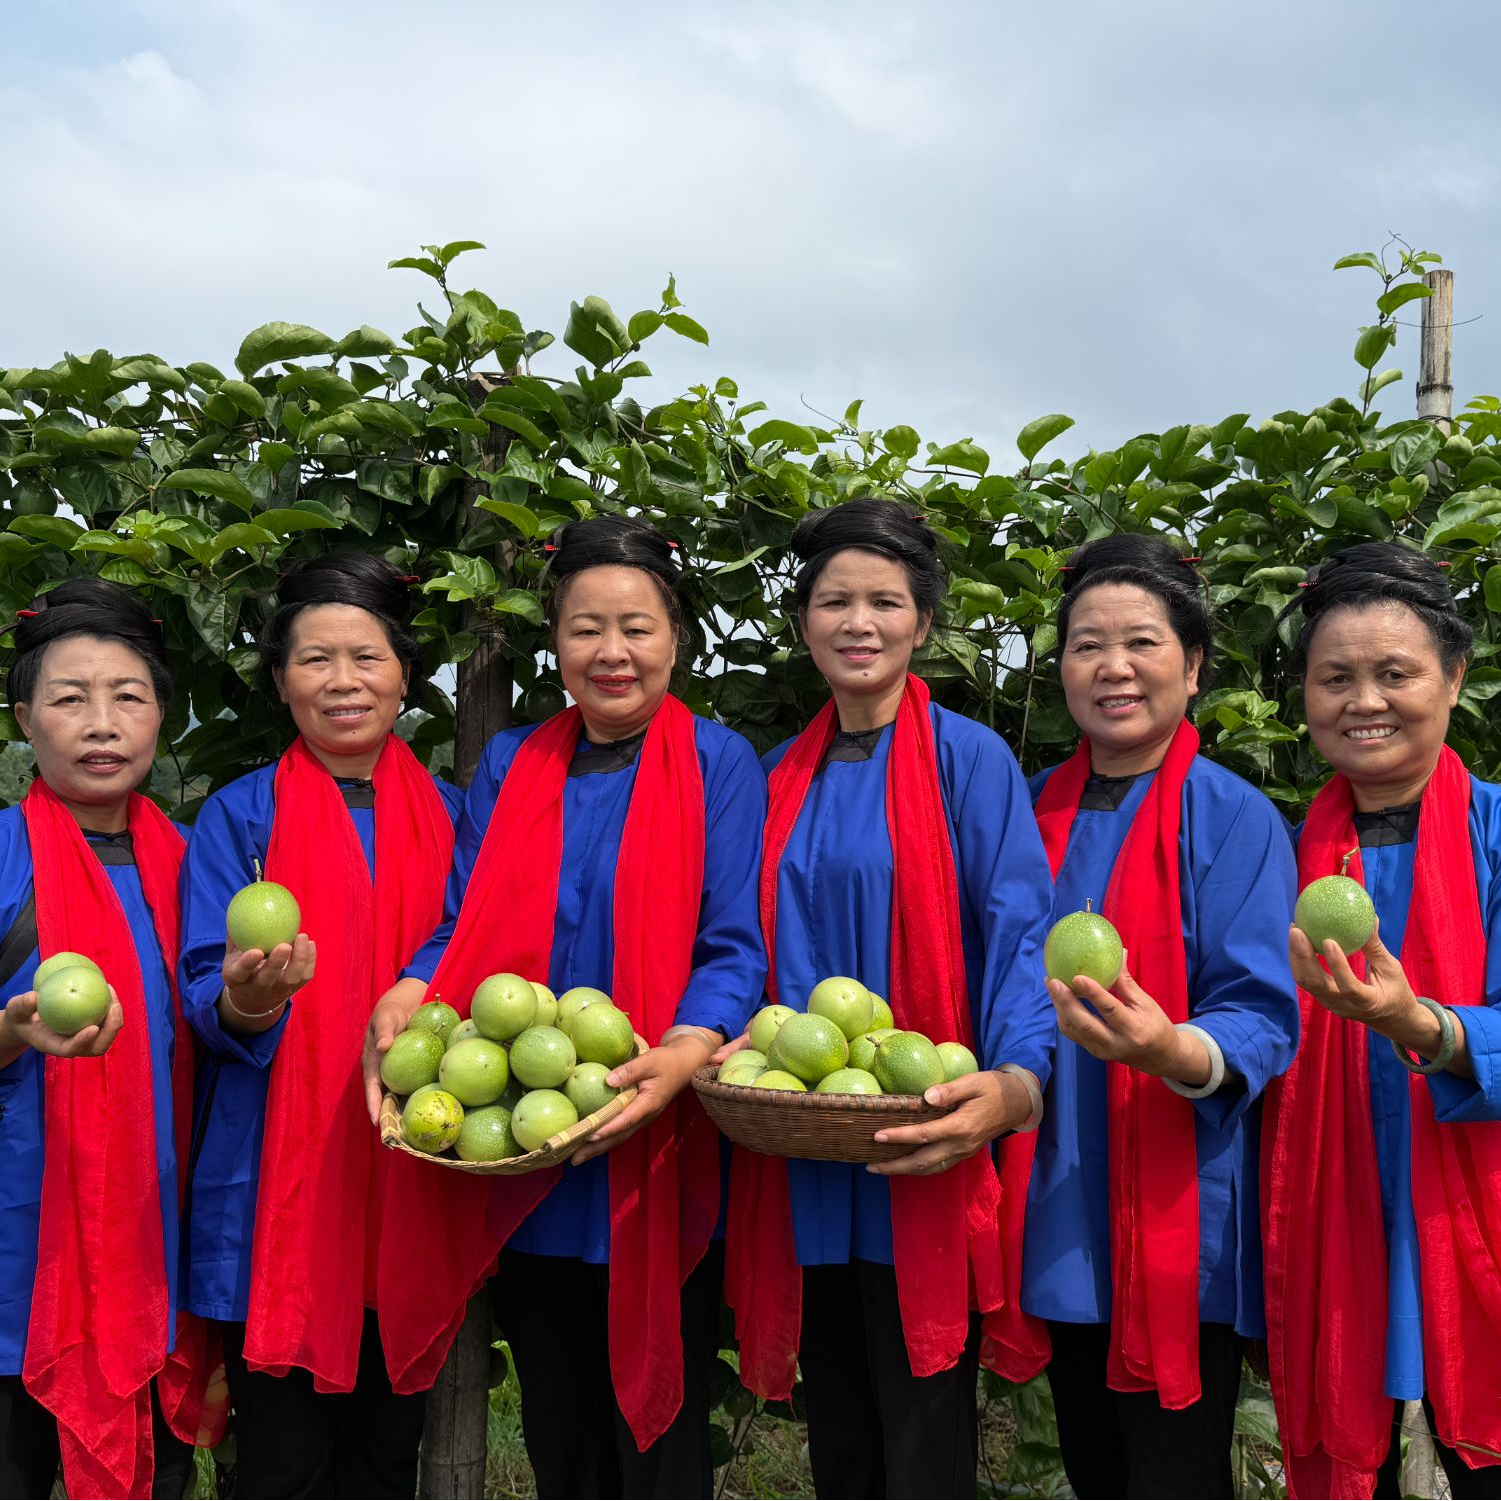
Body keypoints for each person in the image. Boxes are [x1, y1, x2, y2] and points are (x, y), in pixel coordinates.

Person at [367, 515, 766, 1500]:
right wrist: (414, 985)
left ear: (677, 636)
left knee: (660, 1429)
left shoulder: (719, 764)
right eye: (586, 627)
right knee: (558, 1421)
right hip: (524, 1138)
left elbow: (733, 946)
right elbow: (465, 924)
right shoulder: (513, 764)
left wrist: (684, 1049)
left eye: (637, 626)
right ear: (555, 640)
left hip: (657, 1133)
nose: (612, 652)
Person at [722, 498, 1056, 1501]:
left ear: (920, 622)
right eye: (834, 601)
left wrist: (1015, 1080)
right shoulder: (780, 774)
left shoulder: (970, 761)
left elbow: (1017, 934)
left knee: (924, 1427)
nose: (856, 622)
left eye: (883, 601)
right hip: (808, 1142)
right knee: (843, 1425)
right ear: (803, 622)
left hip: (925, 1130)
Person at [1011, 534, 1299, 1500]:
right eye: (1087, 643)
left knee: (1174, 1469)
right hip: (1054, 1191)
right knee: (1092, 1458)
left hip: (1179, 1193)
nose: (1113, 666)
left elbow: (1261, 1013)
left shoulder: (1232, 818)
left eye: (1140, 640)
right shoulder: (1028, 809)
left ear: (1193, 662)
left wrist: (1171, 1045)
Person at [178, 553, 462, 1499]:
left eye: (367, 657)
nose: (343, 682)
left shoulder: (456, 820)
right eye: (315, 660)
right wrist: (249, 1001)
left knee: (385, 1449)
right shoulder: (238, 817)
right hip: (282, 1182)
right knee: (281, 1454)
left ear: (405, 674)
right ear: (279, 681)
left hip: (412, 1164)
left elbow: (478, 943)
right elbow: (199, 990)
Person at [1264, 542, 1501, 1500]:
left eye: (1393, 672)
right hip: (1339, 1204)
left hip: (1471, 1206)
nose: (1363, 699)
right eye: (1335, 678)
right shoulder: (1281, 860)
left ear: (1451, 678)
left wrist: (1427, 1025)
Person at [0, 579, 208, 1501]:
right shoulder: (5, 855)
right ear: (23, 718)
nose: (101, 721)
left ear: (160, 715)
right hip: (15, 1268)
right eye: (69, 697)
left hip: (150, 1254)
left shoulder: (194, 866)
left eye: (128, 695)